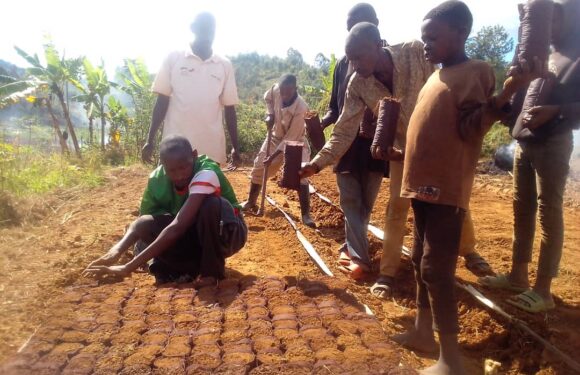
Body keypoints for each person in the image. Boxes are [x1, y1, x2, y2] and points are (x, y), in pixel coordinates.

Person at [390, 2, 536, 373]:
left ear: (461, 33)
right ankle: (423, 333)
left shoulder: (476, 71)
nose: (426, 45)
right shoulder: (435, 76)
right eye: (423, 38)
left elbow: (472, 127)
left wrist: (504, 95)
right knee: (420, 262)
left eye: (433, 37)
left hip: (446, 188)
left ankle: (452, 360)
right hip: (420, 186)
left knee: (437, 270)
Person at [479, 0, 580, 313]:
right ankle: (517, 276)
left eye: (554, 21)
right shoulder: (540, 53)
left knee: (549, 211)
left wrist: (555, 112)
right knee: (521, 209)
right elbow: (516, 98)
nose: (547, 28)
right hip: (524, 141)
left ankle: (543, 290)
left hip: (553, 141)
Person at [84, 136, 248, 285]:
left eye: (183, 167)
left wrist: (127, 267)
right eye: (172, 170)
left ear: (194, 155)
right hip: (193, 235)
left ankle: (212, 273)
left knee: (209, 205)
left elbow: (177, 227)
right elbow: (141, 225)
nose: (179, 176)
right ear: (162, 165)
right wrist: (115, 252)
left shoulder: (206, 172)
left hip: (227, 234)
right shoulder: (156, 180)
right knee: (145, 224)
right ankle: (192, 267)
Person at [319, 3, 391, 280]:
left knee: (366, 204)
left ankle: (351, 245)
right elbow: (335, 108)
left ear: (375, 24)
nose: (353, 27)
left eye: (360, 21)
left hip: (375, 145)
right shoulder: (342, 64)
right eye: (349, 23)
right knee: (350, 200)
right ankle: (360, 260)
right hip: (347, 144)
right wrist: (320, 123)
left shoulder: (387, 61)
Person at [141, 12, 241, 169]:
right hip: (174, 150)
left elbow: (230, 109)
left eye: (211, 29)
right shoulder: (174, 58)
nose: (208, 33)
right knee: (172, 193)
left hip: (210, 151)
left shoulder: (224, 65)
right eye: (203, 28)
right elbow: (162, 101)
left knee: (207, 193)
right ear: (193, 29)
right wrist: (150, 140)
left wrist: (236, 146)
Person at [240, 74, 316, 227]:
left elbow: (290, 139)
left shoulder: (301, 108)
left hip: (296, 142)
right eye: (282, 92)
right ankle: (251, 201)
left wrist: (273, 156)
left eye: (288, 92)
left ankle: (306, 215)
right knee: (260, 166)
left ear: (295, 89)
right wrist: (270, 114)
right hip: (275, 137)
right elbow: (267, 98)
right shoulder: (275, 90)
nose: (284, 96)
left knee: (302, 172)